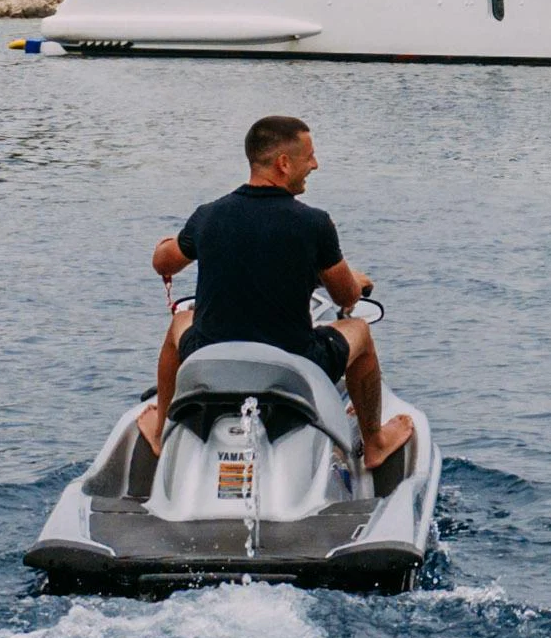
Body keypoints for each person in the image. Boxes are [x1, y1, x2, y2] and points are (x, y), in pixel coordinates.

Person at [146, 114, 409, 470]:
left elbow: (164, 262)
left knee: (181, 321)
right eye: (309, 157)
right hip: (293, 361)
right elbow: (347, 297)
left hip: (211, 355)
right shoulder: (314, 223)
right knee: (359, 331)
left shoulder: (208, 216)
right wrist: (355, 280)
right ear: (284, 163)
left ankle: (160, 430)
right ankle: (375, 444)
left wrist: (172, 243)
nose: (315, 164)